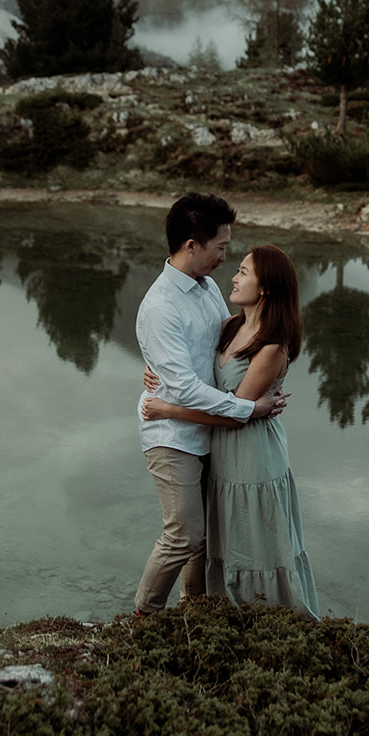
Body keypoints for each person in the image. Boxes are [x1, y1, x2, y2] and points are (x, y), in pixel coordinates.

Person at [142, 243, 319, 620]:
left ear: (266, 288)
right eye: (234, 267)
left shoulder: (272, 348)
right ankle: (212, 616)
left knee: (255, 542)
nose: (233, 277)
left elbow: (238, 415)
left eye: (243, 271)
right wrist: (155, 374)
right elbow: (193, 373)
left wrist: (167, 409)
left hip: (251, 455)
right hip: (220, 450)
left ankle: (270, 620)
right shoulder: (229, 325)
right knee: (219, 540)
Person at [133, 193, 287, 616]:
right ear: (191, 245)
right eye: (221, 247)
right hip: (173, 436)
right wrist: (247, 410)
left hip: (211, 430)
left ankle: (196, 613)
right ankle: (144, 616)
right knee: (184, 535)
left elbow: (223, 346)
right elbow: (180, 386)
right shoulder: (161, 305)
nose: (225, 257)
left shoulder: (207, 290)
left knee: (206, 539)